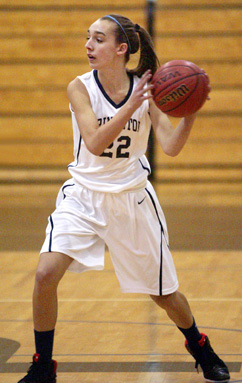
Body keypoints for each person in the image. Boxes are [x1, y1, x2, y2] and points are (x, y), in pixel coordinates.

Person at [18, 14, 230, 383]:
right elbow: (96, 143)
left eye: (98, 39)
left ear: (120, 49)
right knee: (44, 274)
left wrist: (190, 115)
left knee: (164, 295)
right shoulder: (79, 88)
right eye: (88, 38)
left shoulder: (149, 92)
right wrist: (131, 105)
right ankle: (42, 365)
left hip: (131, 198)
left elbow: (170, 146)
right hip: (82, 196)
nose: (88, 45)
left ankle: (200, 346)